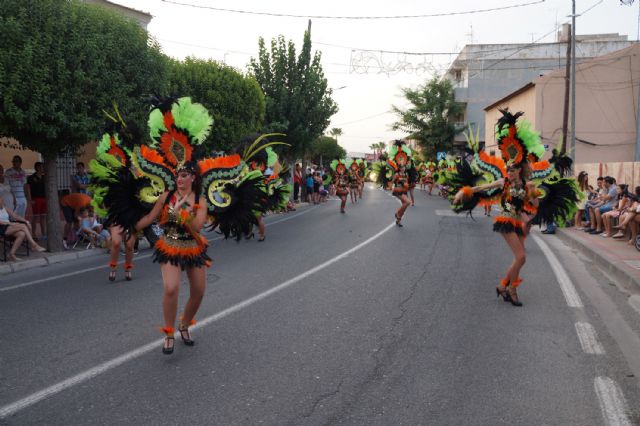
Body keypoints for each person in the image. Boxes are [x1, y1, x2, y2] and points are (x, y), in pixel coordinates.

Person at [450, 110, 580, 307]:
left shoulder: (528, 185)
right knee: (522, 257)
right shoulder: (503, 182)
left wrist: (534, 194)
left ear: (519, 170)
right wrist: (463, 192)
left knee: (519, 259)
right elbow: (480, 187)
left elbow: (535, 206)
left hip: (518, 221)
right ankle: (504, 286)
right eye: (508, 169)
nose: (509, 172)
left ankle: (512, 290)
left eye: (512, 169)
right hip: (505, 221)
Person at [136, 165, 210, 354]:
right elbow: (151, 217)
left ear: (193, 178)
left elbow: (198, 226)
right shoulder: (167, 197)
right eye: (178, 175)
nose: (179, 179)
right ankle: (169, 334)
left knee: (199, 291)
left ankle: (184, 325)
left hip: (193, 246)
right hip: (170, 245)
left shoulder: (200, 200)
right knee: (171, 288)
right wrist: (130, 226)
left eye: (184, 175)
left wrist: (181, 215)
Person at [0, 196, 46, 261]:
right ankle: (34, 245)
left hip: (9, 226)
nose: (2, 202)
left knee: (21, 234)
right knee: (23, 226)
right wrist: (10, 223)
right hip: (2, 228)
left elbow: (15, 216)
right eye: (0, 201)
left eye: (2, 200)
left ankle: (11, 254)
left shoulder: (5, 208)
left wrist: (25, 221)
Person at [27, 162, 47, 239]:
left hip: (44, 199)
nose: (43, 168)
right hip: (35, 199)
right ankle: (33, 234)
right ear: (37, 168)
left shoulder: (44, 177)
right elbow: (28, 188)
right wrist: (30, 199)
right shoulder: (31, 177)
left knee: (43, 216)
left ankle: (44, 234)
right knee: (35, 217)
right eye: (41, 167)